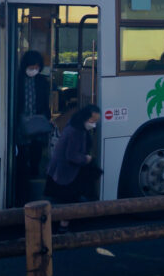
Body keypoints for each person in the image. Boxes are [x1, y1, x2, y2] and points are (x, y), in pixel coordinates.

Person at [45, 104, 102, 233]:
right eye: (92, 121)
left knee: (68, 199)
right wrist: (86, 159)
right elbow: (71, 155)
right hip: (66, 172)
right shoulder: (76, 131)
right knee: (68, 200)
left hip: (64, 171)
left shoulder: (74, 125)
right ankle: (62, 228)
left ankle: (62, 225)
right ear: (85, 118)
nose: (93, 124)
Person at [15, 50, 52, 203]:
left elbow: (45, 102)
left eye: (36, 67)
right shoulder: (16, 80)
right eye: (31, 66)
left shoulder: (42, 81)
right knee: (22, 150)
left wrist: (47, 117)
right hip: (21, 120)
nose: (34, 69)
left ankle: (35, 171)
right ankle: (24, 174)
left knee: (37, 146)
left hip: (37, 120)